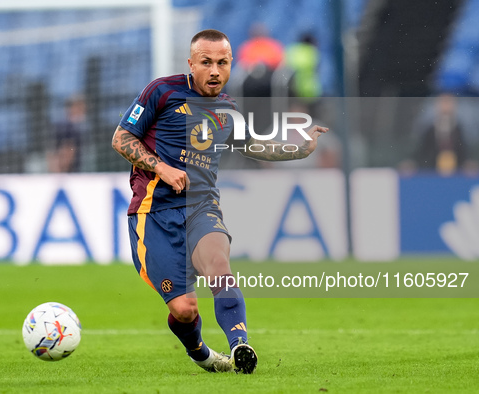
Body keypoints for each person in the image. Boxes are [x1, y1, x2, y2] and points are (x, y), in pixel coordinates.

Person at [111, 29, 327, 374]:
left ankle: (240, 344)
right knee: (184, 309)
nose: (215, 70)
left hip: (202, 207)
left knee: (219, 268)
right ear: (191, 63)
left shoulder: (227, 109)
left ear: (231, 65)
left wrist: (298, 148)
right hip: (154, 213)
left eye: (222, 63)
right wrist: (162, 168)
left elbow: (254, 146)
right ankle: (200, 353)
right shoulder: (162, 91)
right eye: (206, 62)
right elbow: (121, 138)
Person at [47, 94, 87, 173]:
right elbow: (66, 151)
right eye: (80, 108)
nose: (83, 111)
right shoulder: (67, 127)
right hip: (65, 173)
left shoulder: (78, 127)